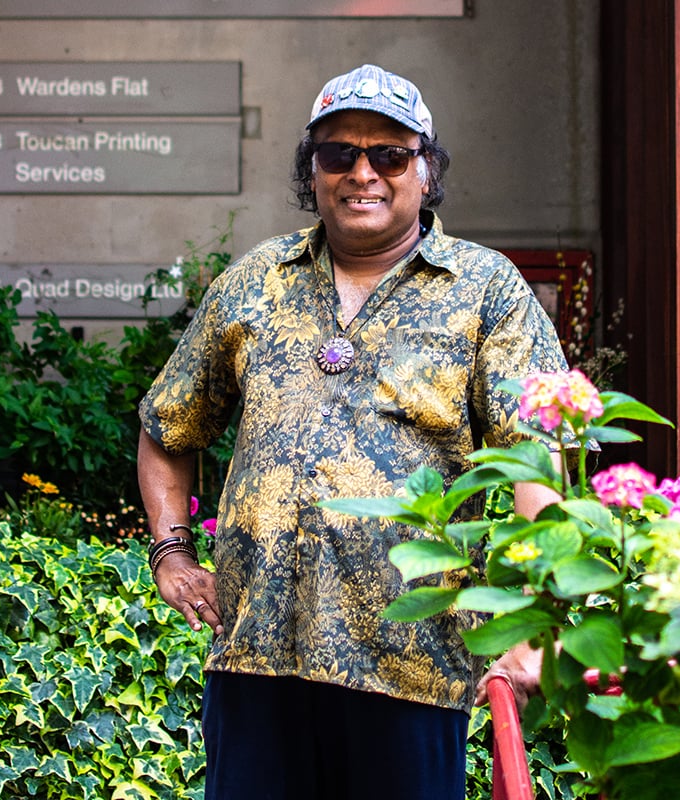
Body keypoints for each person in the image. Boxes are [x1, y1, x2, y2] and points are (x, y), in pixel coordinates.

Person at [137, 63, 567, 800]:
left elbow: (534, 458)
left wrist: (533, 621)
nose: (363, 172)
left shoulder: (485, 289)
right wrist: (171, 552)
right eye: (340, 154)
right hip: (255, 664)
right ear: (313, 172)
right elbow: (167, 424)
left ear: (426, 172)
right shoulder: (256, 281)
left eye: (390, 155)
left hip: (408, 667)